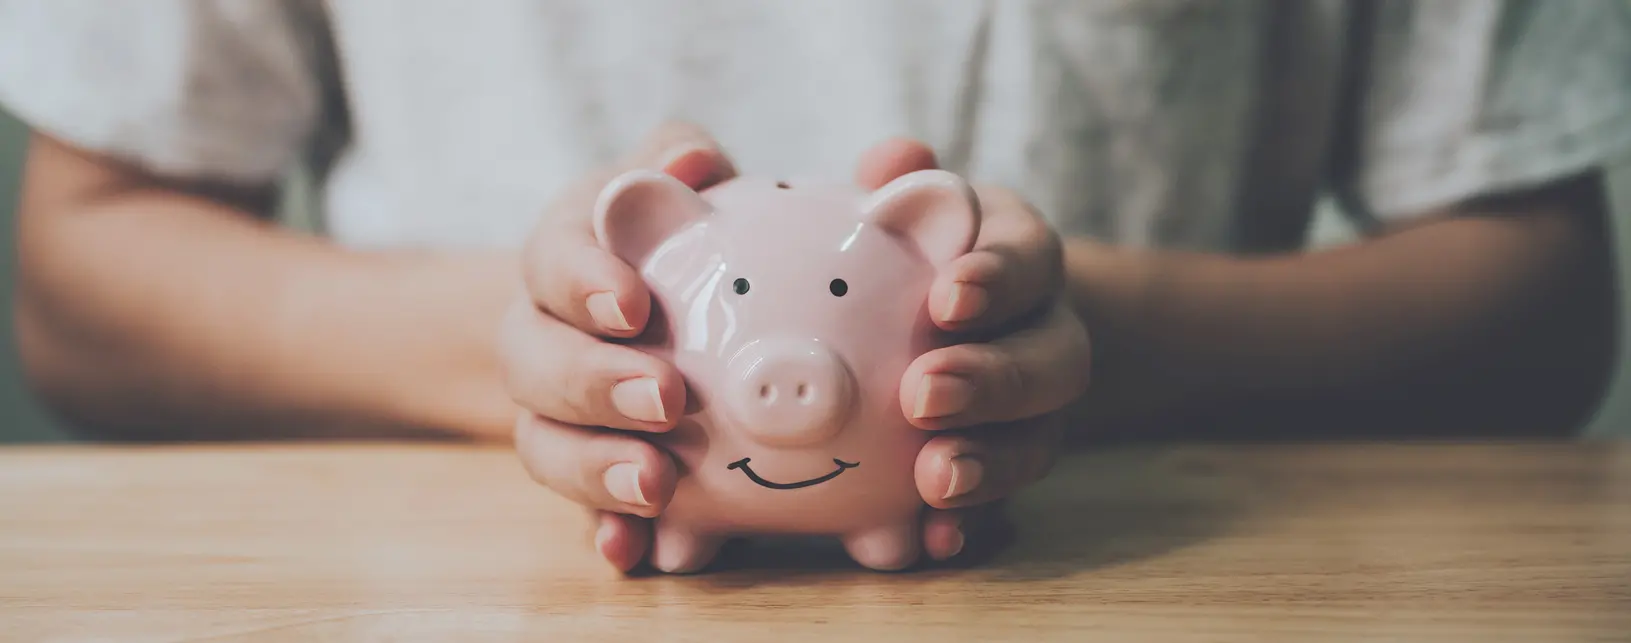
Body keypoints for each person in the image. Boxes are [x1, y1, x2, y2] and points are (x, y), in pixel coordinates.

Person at [1, 0, 1627, 571]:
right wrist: (532, 356)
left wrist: (1091, 343)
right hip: (456, 575)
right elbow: (83, 275)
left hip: (1151, 560)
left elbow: (1536, 295)